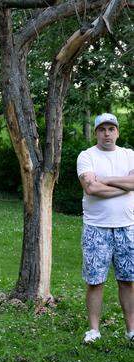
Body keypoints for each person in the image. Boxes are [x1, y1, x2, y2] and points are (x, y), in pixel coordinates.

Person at [77, 113, 134, 344]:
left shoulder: (129, 155)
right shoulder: (86, 156)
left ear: (117, 132)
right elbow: (91, 188)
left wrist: (106, 180)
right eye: (102, 129)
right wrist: (125, 186)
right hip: (95, 227)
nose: (107, 133)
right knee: (95, 281)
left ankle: (131, 330)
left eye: (111, 129)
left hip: (127, 227)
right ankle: (94, 330)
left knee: (128, 280)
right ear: (96, 133)